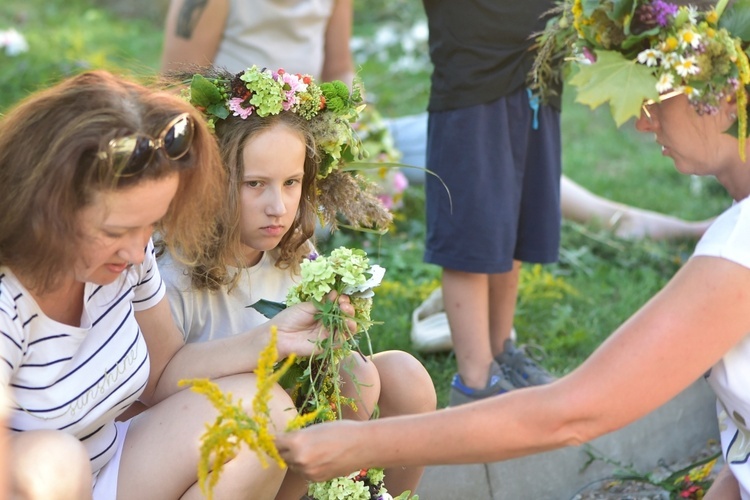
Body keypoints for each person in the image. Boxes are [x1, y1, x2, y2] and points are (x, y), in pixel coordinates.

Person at [274, 1, 750, 498]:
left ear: (726, 94)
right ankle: (478, 374)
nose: (642, 122)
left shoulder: (737, 249)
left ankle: (494, 360)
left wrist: (362, 444)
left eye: (659, 96)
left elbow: (572, 413)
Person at [0, 69, 356, 499]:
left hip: (114, 465)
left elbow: (163, 373)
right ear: (47, 206)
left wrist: (274, 338)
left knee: (263, 411)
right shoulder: (8, 301)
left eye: (149, 225)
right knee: (53, 460)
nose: (136, 253)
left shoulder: (131, 257)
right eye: (115, 231)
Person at [157, 66, 436, 498]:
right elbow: (149, 396)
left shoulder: (295, 255)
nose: (278, 207)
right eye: (255, 184)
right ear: (210, 184)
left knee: (401, 375)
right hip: (218, 445)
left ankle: (379, 493)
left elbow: (334, 374)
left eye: (291, 183)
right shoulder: (174, 276)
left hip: (298, 424)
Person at [161, 0, 354, 85]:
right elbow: (178, 84)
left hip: (304, 142)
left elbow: (339, 70)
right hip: (225, 143)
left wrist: (360, 124)